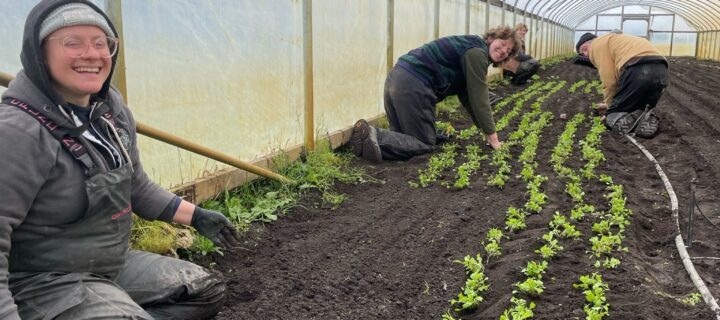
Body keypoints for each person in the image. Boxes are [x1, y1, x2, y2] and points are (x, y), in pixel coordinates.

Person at [0, 1, 241, 319]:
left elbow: (135, 184)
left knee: (203, 291)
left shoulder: (109, 109)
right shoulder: (18, 132)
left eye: (101, 44)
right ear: (39, 52)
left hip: (109, 264)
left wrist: (195, 216)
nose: (92, 54)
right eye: (73, 43)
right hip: (43, 284)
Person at [350, 27, 522, 162]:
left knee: (402, 139)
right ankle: (372, 136)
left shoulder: (470, 47)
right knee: (424, 144)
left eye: (508, 52)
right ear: (492, 38)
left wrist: (485, 132)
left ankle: (368, 139)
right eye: (503, 44)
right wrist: (494, 139)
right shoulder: (477, 53)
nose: (503, 51)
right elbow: (480, 98)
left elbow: (469, 98)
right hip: (414, 85)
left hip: (396, 79)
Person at [575, 32, 667, 138]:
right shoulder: (615, 40)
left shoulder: (598, 44)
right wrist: (615, 103)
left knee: (612, 117)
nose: (586, 55)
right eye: (583, 54)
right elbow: (623, 87)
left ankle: (638, 129)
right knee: (637, 107)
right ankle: (644, 118)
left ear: (589, 44)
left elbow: (610, 82)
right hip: (662, 71)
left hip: (638, 69)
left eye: (584, 50)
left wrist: (610, 109)